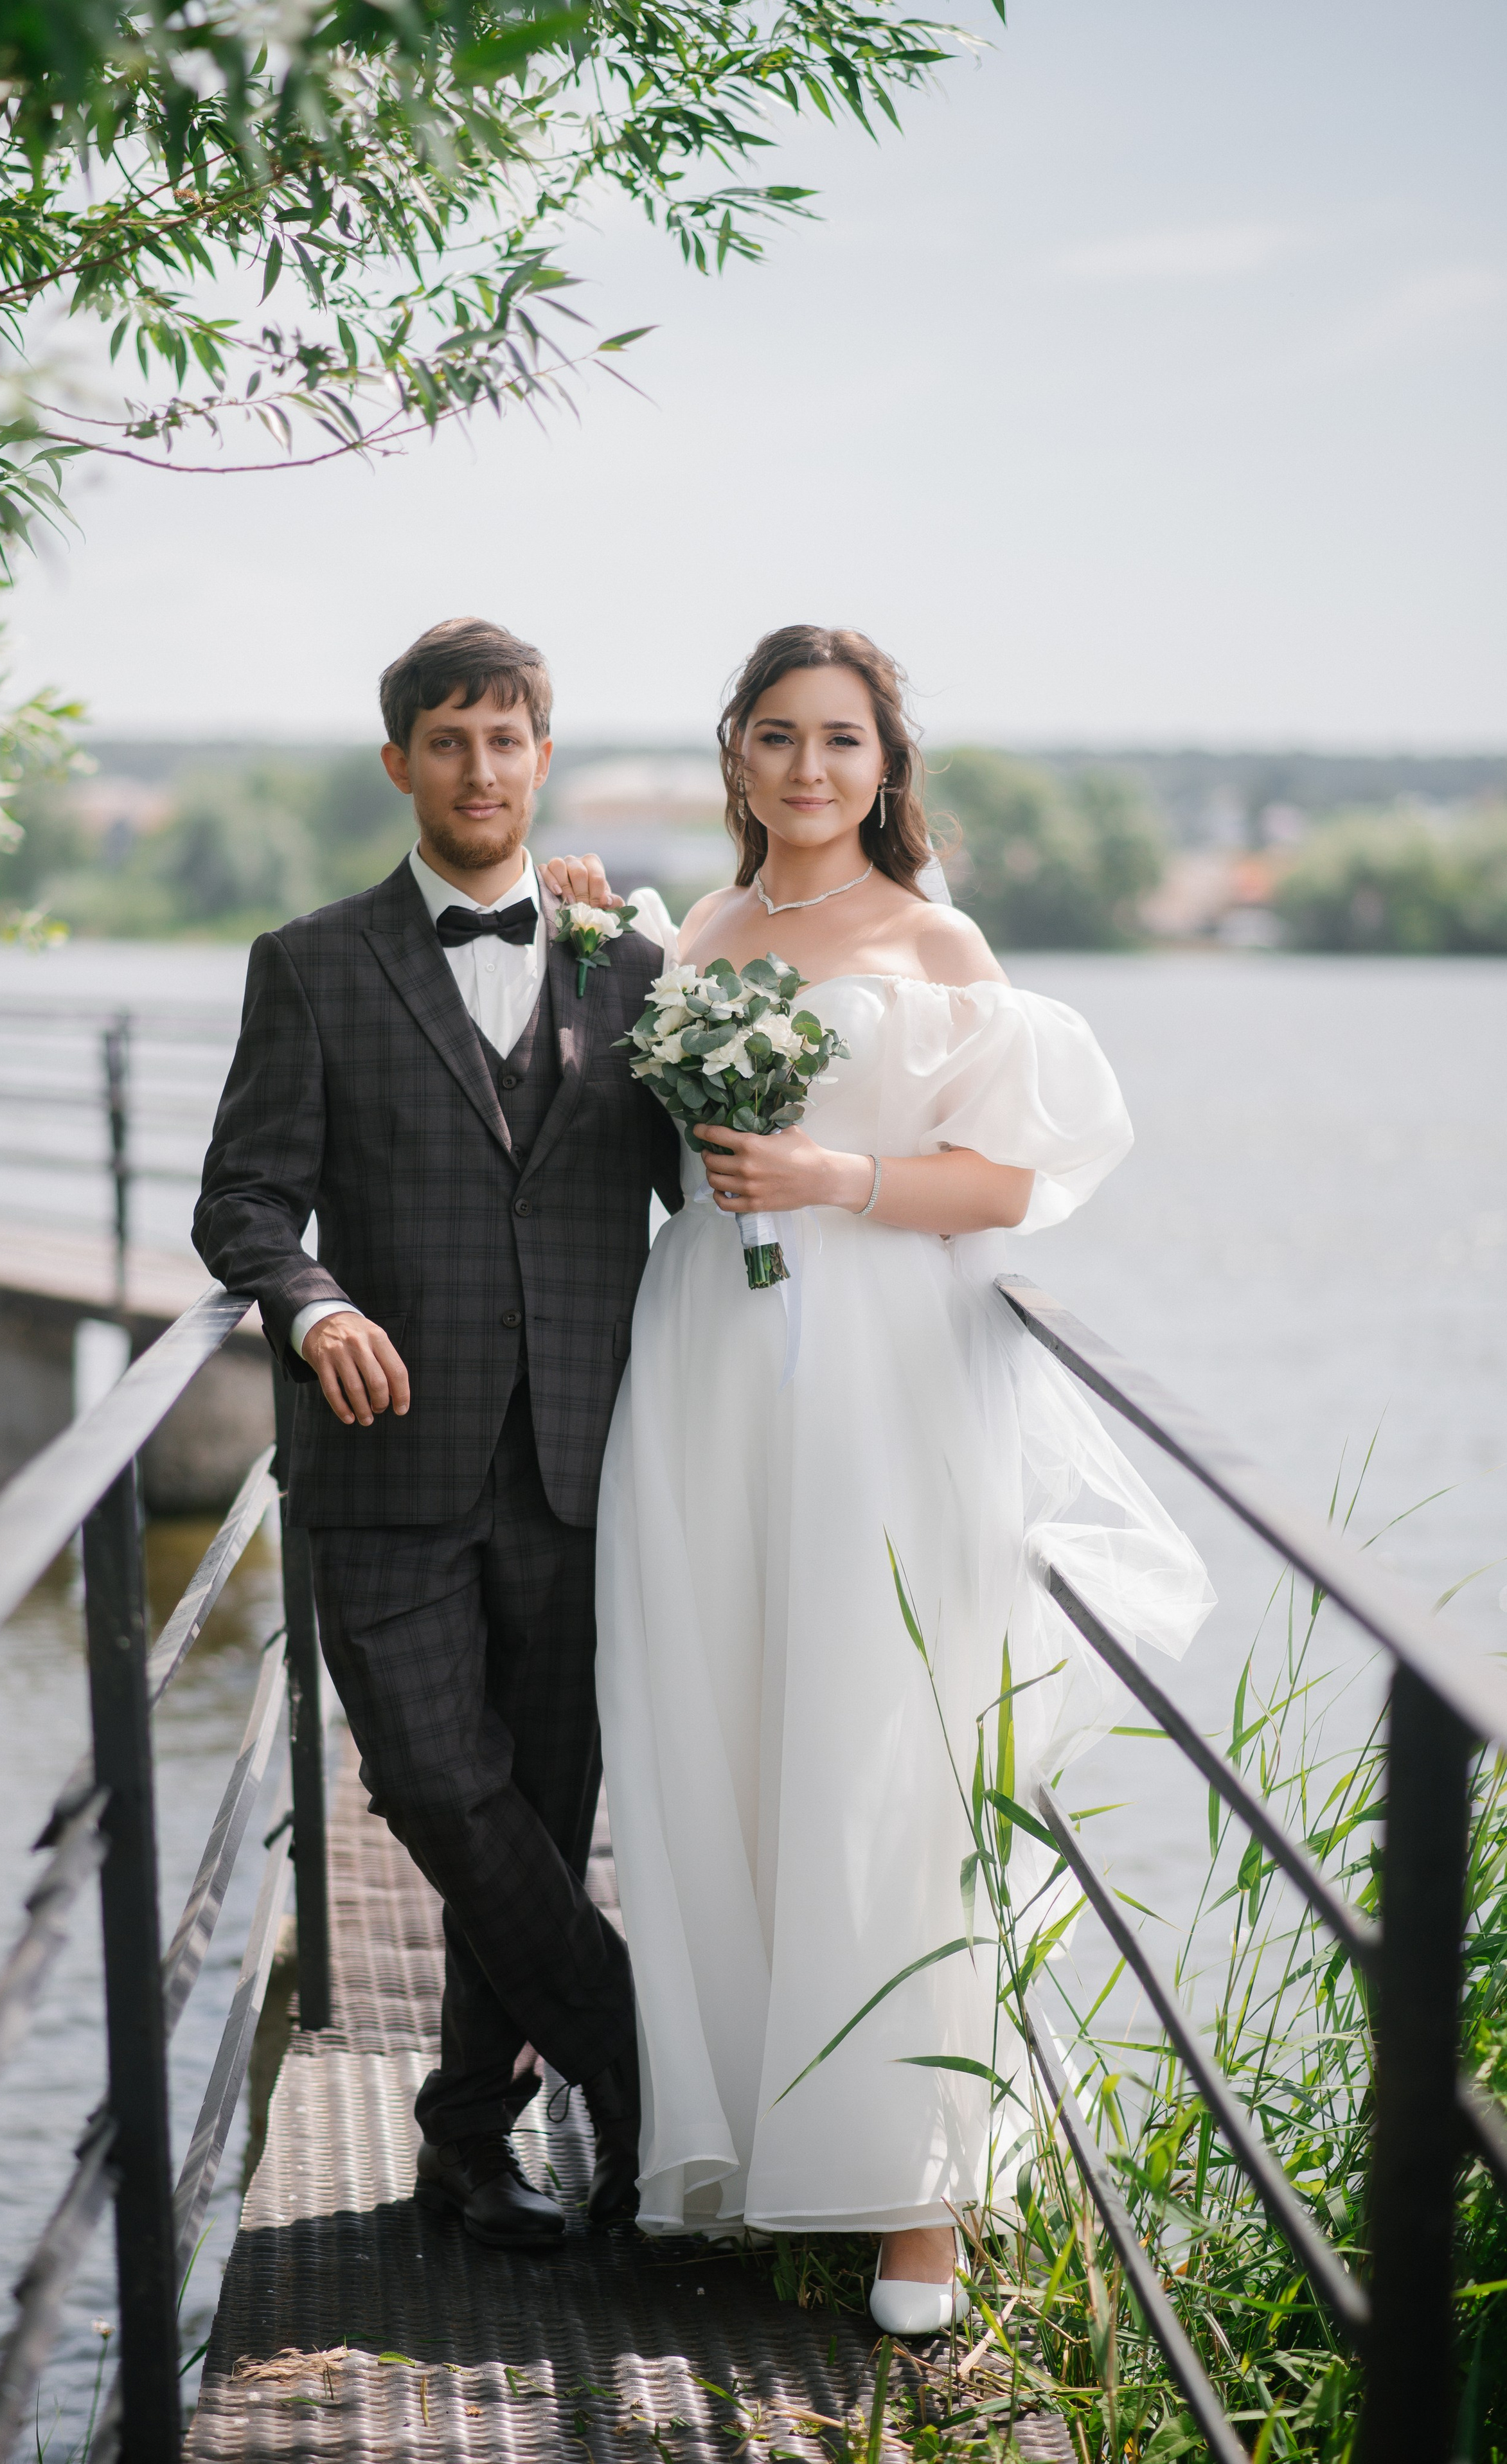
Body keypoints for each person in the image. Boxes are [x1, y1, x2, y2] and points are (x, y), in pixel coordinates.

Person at [592, 625, 1213, 2332]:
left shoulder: (933, 938)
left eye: (841, 739)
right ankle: (739, 2137)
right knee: (725, 1722)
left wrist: (835, 1170)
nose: (809, 767)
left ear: (885, 765)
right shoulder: (702, 932)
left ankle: (916, 2190)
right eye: (778, 735)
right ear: (733, 755)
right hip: (711, 1359)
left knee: (888, 1726)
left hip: (874, 1370)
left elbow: (1012, 1180)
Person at [193, 616, 681, 2248]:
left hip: (581, 1468)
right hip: (386, 1468)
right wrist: (314, 1300)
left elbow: (716, 1184)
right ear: (398, 760)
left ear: (545, 756)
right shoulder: (311, 961)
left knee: (538, 1812)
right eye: (448, 741)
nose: (481, 768)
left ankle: (468, 2144)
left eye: (508, 739)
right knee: (435, 1791)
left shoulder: (635, 972)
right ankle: (641, 2066)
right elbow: (244, 1195)